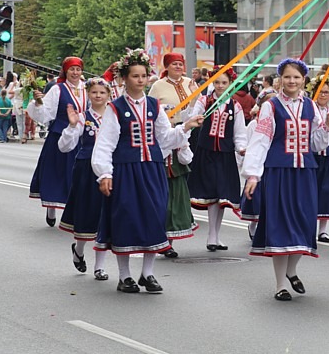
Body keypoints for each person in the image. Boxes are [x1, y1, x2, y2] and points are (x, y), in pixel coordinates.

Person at [92, 48, 203, 294]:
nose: (140, 80)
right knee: (127, 218)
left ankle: (148, 273)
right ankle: (125, 276)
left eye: (143, 75)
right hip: (126, 170)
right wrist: (105, 174)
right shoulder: (116, 108)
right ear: (125, 78)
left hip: (152, 169)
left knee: (154, 216)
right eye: (135, 76)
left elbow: (165, 138)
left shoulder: (154, 106)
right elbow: (105, 143)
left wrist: (186, 126)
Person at [242, 58, 329, 301]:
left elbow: (316, 143)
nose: (292, 81)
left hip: (305, 172)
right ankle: (279, 285)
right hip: (279, 172)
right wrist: (253, 174)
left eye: (296, 77)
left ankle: (292, 271)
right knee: (281, 225)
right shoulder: (271, 106)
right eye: (287, 77)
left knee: (304, 223)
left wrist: (326, 126)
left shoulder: (311, 107)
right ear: (280, 79)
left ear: (303, 80)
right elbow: (261, 141)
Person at [187, 65, 247, 251]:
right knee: (211, 193)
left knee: (221, 196)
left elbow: (239, 131)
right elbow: (190, 118)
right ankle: (212, 236)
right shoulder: (204, 101)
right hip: (205, 153)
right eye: (217, 82)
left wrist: (241, 148)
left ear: (230, 84)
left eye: (224, 83)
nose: (220, 86)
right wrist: (194, 109)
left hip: (225, 154)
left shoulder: (234, 106)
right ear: (212, 82)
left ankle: (214, 235)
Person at [148, 52, 201, 258]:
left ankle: (168, 240)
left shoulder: (191, 83)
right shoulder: (158, 86)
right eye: (174, 64)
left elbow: (199, 105)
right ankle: (158, 237)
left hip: (187, 133)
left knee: (177, 190)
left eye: (181, 64)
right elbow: (151, 112)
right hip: (163, 135)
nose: (178, 67)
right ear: (167, 67)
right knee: (161, 191)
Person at [58, 78, 111, 281]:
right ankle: (79, 249)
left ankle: (99, 266)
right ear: (88, 94)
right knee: (86, 214)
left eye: (102, 92)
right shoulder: (82, 117)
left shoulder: (114, 117)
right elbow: (64, 147)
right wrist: (71, 127)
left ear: (108, 95)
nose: (98, 96)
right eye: (94, 92)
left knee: (105, 216)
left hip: (107, 169)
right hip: (86, 171)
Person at [28, 57, 87, 227]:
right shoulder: (57, 89)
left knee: (78, 175)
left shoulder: (87, 89)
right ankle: (52, 206)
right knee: (57, 172)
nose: (75, 73)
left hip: (82, 137)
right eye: (72, 69)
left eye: (78, 69)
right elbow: (46, 114)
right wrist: (38, 102)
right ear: (65, 71)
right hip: (59, 135)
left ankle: (76, 210)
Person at [305, 74, 329, 243]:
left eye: (326, 92)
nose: (323, 95)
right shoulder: (309, 109)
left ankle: (323, 230)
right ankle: (309, 228)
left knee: (327, 191)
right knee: (310, 192)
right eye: (320, 91)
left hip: (328, 155)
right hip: (312, 155)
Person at [237, 88, 277, 239]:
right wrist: (245, 154)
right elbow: (249, 143)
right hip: (259, 166)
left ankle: (267, 227)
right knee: (256, 199)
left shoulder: (279, 122)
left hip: (272, 165)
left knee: (270, 199)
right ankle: (253, 225)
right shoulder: (254, 125)